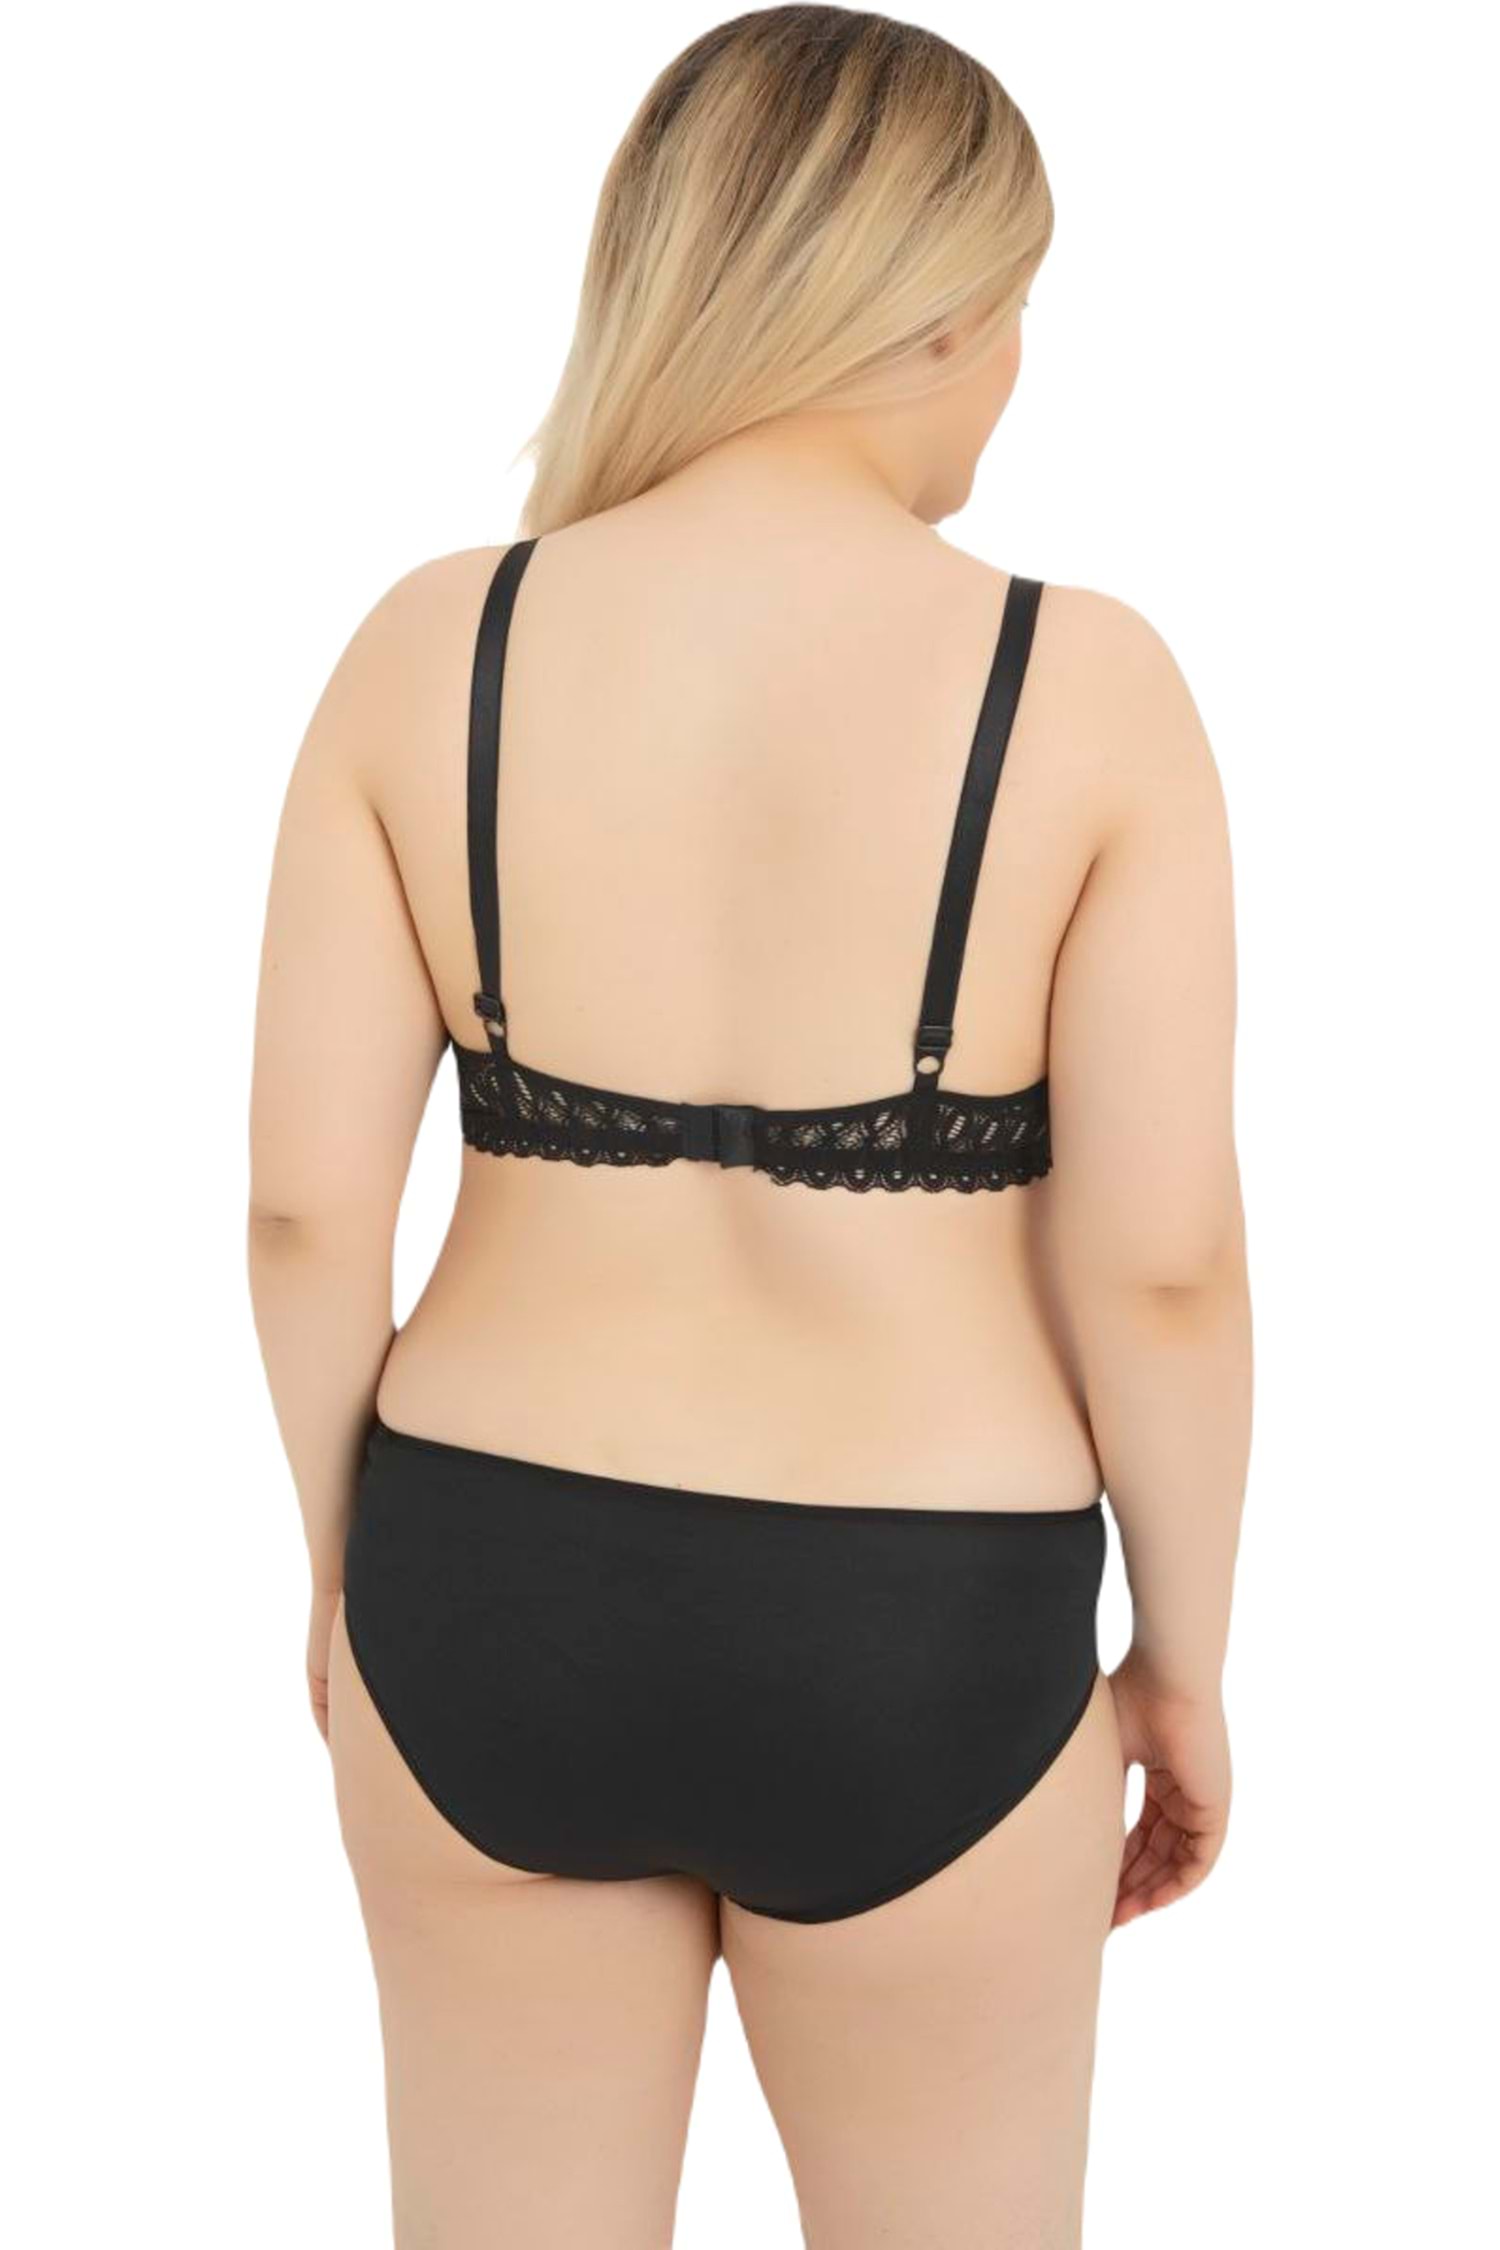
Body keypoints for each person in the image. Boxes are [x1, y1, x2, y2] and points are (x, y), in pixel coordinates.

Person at [247, 8, 1251, 2244]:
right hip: (923, 1615)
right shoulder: (1087, 687)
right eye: (1018, 306)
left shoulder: (433, 643)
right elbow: (1164, 1263)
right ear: (937, 307)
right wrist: (1181, 1662)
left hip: (481, 1574)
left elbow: (307, 1209)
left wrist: (339, 1570)